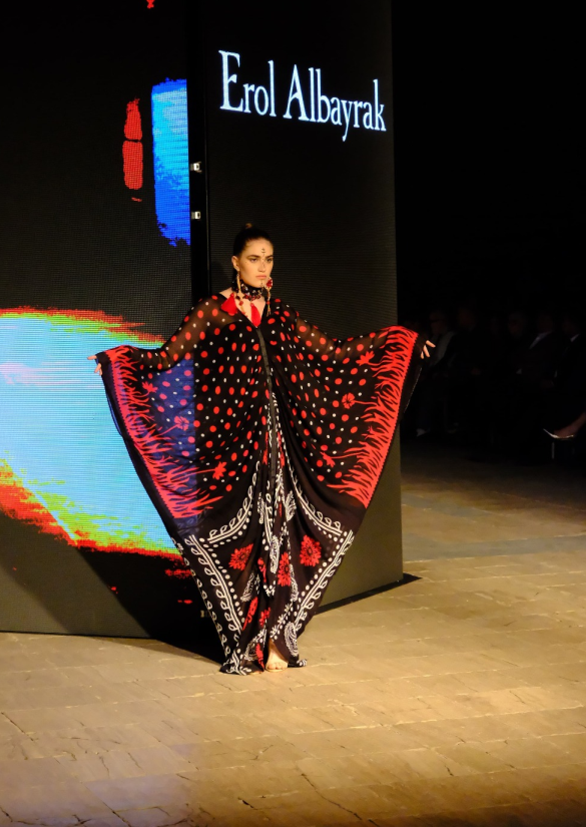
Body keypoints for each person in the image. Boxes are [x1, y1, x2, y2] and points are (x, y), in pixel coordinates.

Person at [89, 225, 431, 674]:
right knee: (245, 539)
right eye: (254, 258)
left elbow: (332, 351)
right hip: (235, 450)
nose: (263, 267)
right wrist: (119, 361)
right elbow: (167, 359)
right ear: (236, 263)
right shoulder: (212, 312)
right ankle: (248, 637)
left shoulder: (280, 313)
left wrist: (398, 344)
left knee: (282, 535)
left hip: (281, 446)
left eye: (269, 259)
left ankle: (278, 638)